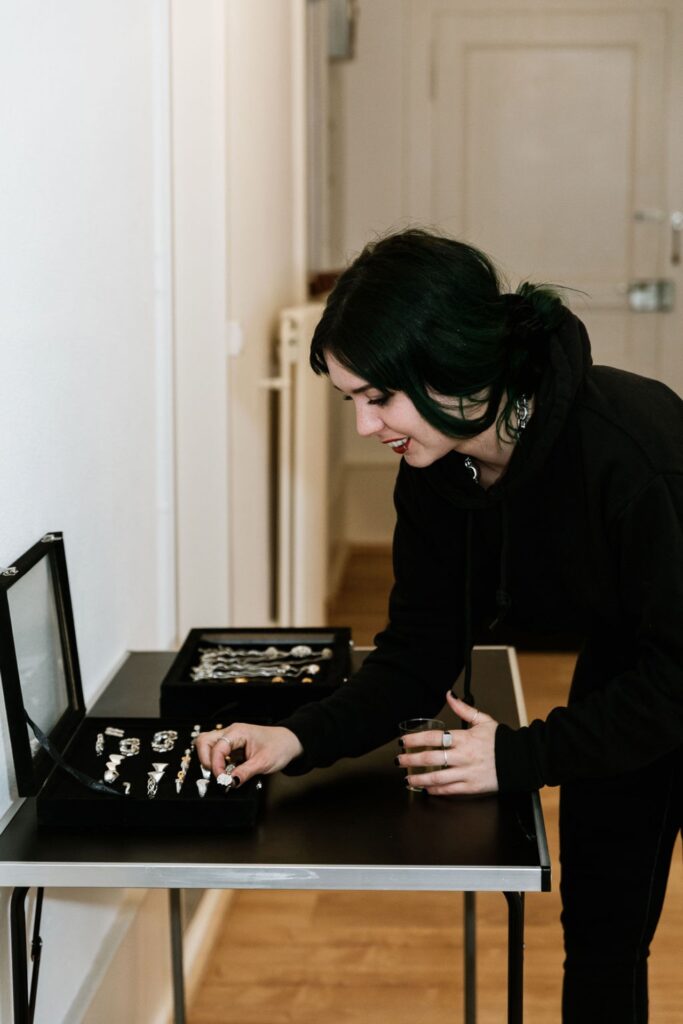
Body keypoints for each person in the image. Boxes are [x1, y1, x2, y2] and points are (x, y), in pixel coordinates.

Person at [196, 228, 683, 1022]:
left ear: (454, 365)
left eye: (378, 398)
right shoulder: (435, 473)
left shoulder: (633, 449)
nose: (365, 427)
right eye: (351, 401)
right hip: (631, 665)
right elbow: (417, 653)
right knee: (601, 937)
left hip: (670, 664)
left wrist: (517, 756)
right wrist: (294, 737)